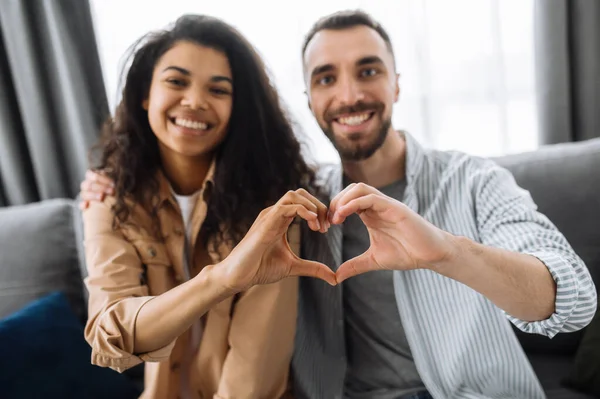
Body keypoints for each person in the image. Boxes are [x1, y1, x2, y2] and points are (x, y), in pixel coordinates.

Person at [82, 10, 597, 399]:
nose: (349, 94)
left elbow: (573, 300)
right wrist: (107, 182)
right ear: (309, 100)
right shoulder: (293, 206)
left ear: (397, 83)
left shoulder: (473, 180)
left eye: (368, 71)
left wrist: (447, 251)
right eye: (327, 78)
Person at [80, 14, 335, 399]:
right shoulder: (110, 196)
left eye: (218, 90)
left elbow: (252, 380)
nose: (195, 101)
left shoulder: (272, 206)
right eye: (176, 82)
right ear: (145, 94)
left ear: (239, 109)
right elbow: (111, 335)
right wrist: (219, 280)